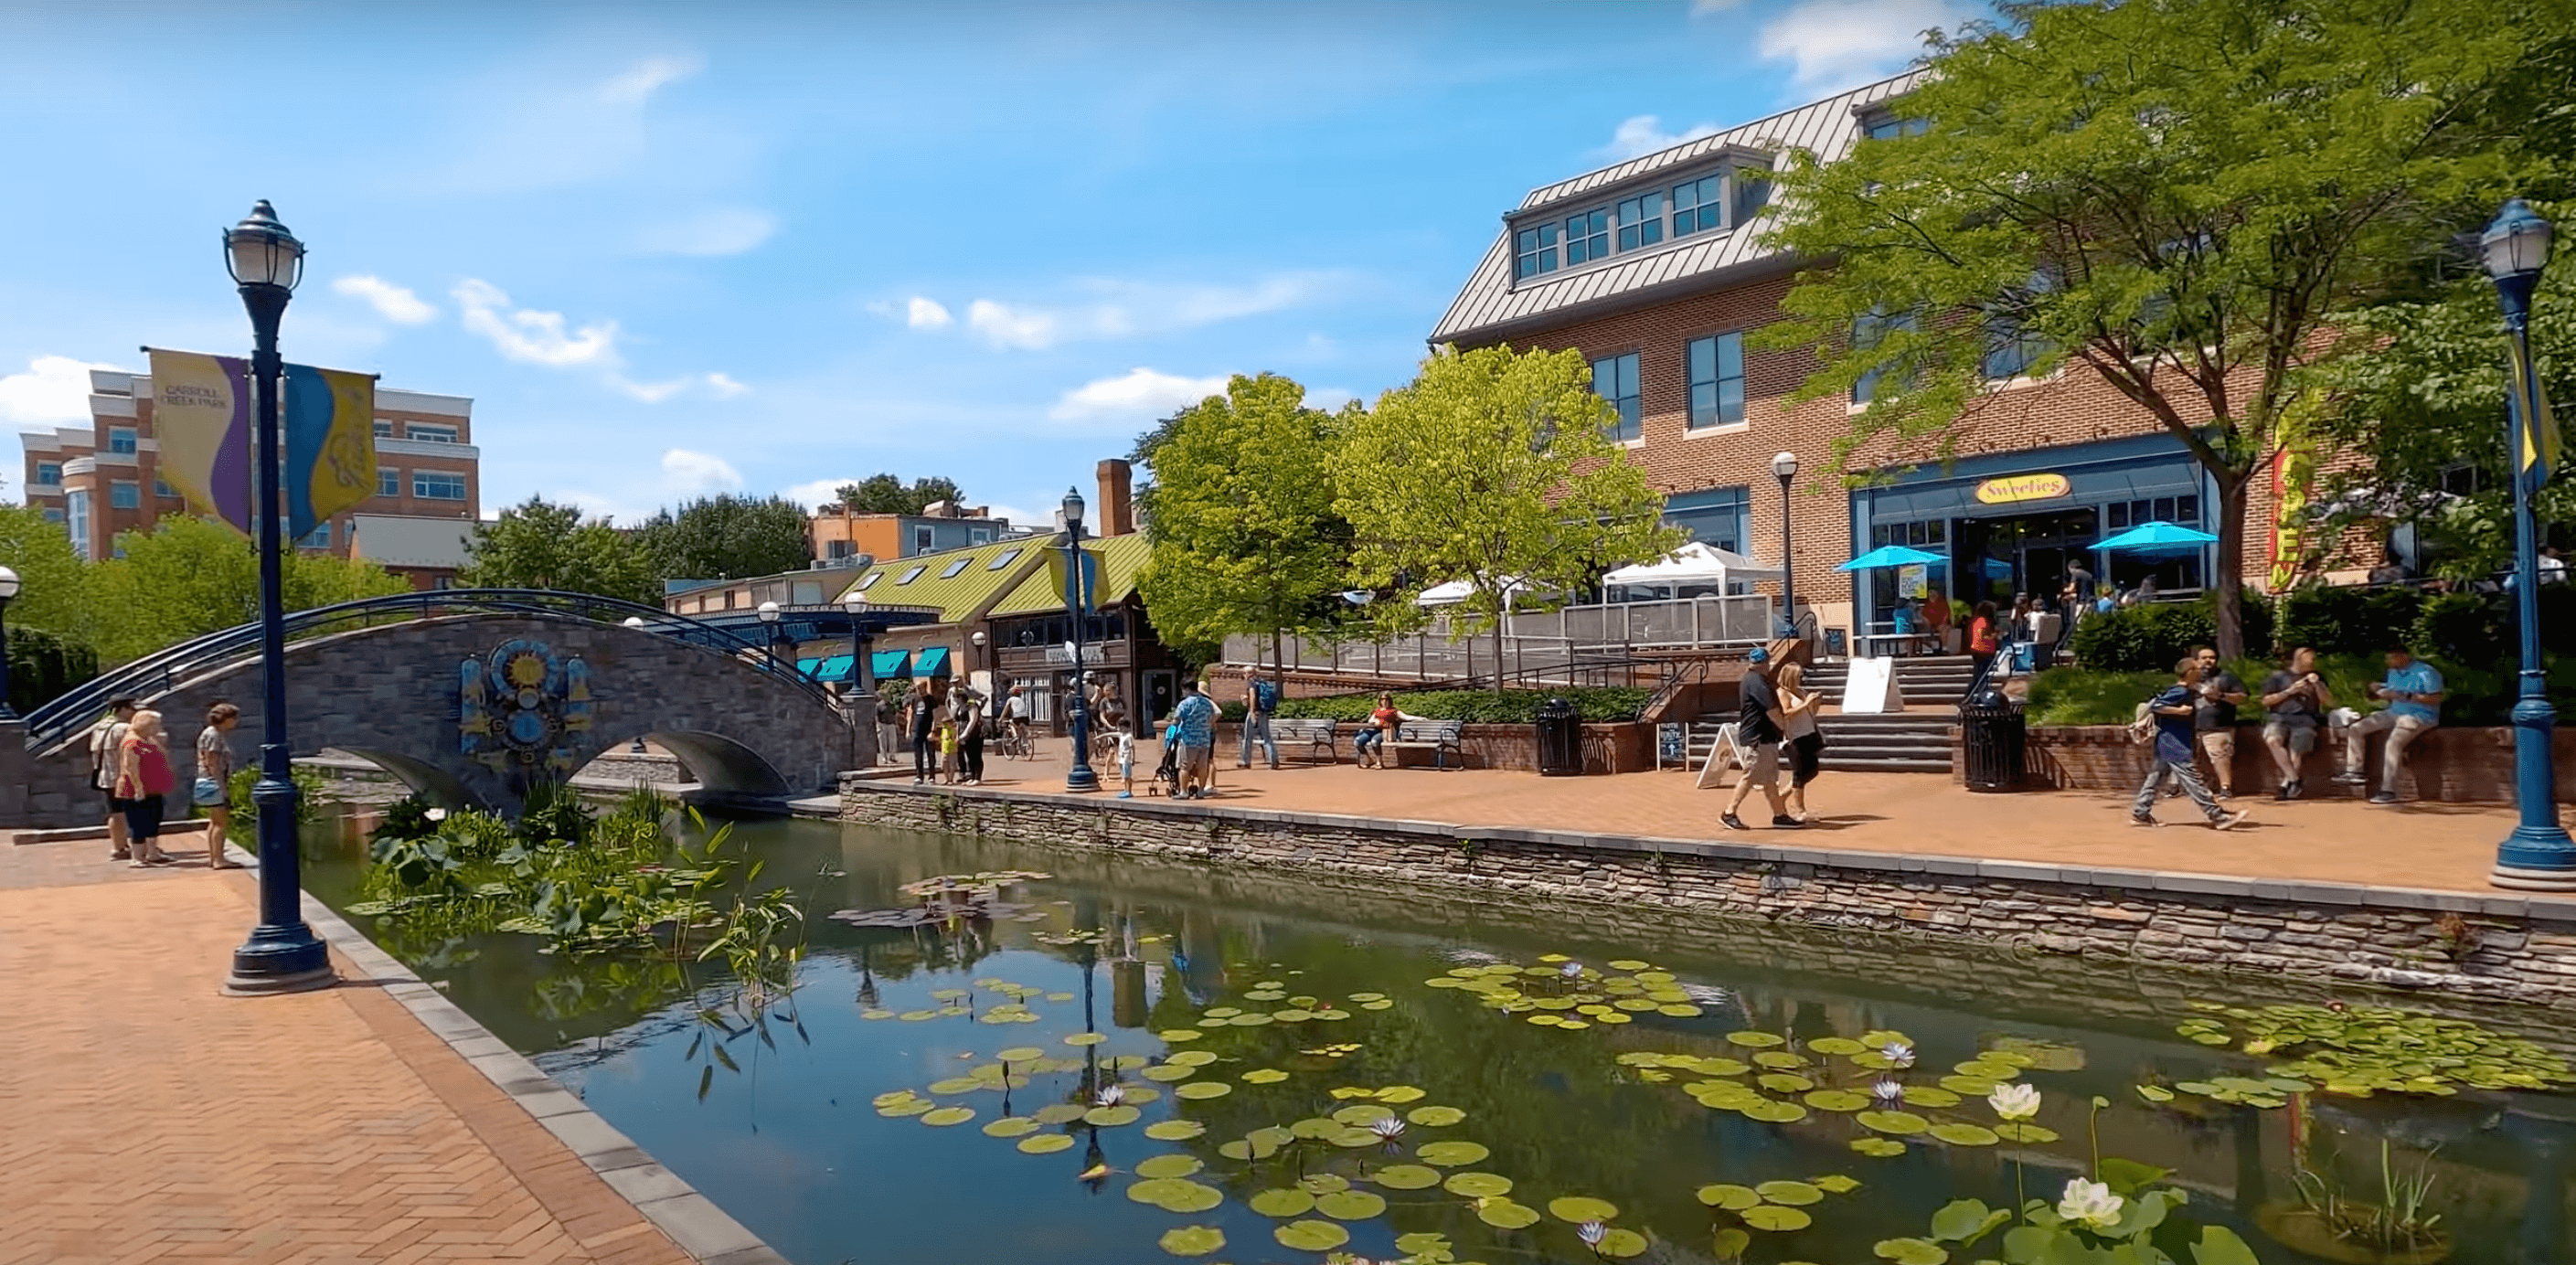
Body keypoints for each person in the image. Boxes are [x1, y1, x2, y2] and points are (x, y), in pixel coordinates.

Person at [2134, 660, 2251, 831]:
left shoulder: (2185, 690)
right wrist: (2180, 711)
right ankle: (2218, 816)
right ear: (2189, 672)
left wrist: (2201, 690)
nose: (2201, 669)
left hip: (2168, 743)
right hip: (2174, 744)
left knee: (2155, 779)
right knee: (2192, 781)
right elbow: (2157, 706)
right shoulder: (2179, 691)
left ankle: (2140, 813)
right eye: (2196, 668)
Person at [2336, 647, 2443, 804]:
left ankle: (2389, 791)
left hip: (2420, 716)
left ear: (2403, 657)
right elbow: (2392, 690)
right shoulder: (2393, 672)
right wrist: (2379, 688)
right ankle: (2354, 772)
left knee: (2393, 743)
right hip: (2393, 712)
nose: (2389, 662)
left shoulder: (2426, 672)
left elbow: (2437, 698)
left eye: (2392, 658)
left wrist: (2404, 696)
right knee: (2356, 729)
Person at [1722, 646, 1797, 831]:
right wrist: (1786, 729)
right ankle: (1729, 812)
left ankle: (1780, 815)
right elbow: (1771, 711)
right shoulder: (1757, 682)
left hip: (1765, 738)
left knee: (1770, 780)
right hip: (1758, 738)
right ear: (1766, 664)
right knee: (1750, 776)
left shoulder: (1754, 679)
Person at [2260, 646, 2333, 800]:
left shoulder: (2318, 677)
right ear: (2298, 659)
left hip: (2305, 720)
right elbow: (2266, 701)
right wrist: (2290, 691)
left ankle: (2286, 784)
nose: (2313, 662)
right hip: (2279, 718)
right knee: (2273, 740)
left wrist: (2318, 685)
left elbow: (2329, 702)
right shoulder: (2278, 678)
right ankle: (2294, 780)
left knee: (2296, 749)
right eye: (2310, 659)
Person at [115, 708, 180, 866]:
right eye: (155, 724)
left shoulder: (149, 739)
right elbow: (131, 768)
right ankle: (137, 858)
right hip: (137, 790)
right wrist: (138, 788)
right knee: (138, 822)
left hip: (154, 788)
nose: (159, 727)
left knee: (154, 819)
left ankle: (153, 853)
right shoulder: (132, 742)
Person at [2188, 646, 2248, 799]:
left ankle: (2225, 788)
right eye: (2204, 658)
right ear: (2196, 661)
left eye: (2212, 658)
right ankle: (2181, 788)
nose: (2208, 661)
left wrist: (2220, 695)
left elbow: (2242, 697)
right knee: (2187, 759)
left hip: (2219, 726)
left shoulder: (2227, 678)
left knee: (2221, 758)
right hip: (2192, 726)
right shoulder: (2189, 679)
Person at [86, 696, 139, 860]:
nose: (134, 712)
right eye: (131, 708)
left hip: (106, 776)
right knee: (136, 812)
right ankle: (142, 846)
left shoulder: (100, 726)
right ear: (122, 709)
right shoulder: (123, 728)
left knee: (115, 812)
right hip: (124, 776)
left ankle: (118, 847)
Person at [1774, 660, 1826, 824]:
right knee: (1799, 773)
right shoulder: (1783, 693)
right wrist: (1806, 703)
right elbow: (1787, 713)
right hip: (1794, 738)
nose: (1801, 678)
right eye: (1798, 675)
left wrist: (1815, 703)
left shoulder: (1801, 691)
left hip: (1808, 734)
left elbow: (1811, 712)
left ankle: (1780, 798)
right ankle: (1800, 811)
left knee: (1812, 770)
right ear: (1790, 676)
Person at [193, 702, 242, 869]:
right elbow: (212, 761)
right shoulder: (214, 735)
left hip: (207, 781)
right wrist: (222, 788)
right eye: (234, 718)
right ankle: (219, 859)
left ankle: (215, 857)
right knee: (221, 823)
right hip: (213, 782)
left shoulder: (210, 733)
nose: (236, 722)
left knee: (214, 822)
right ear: (226, 719)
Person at [1169, 679, 1219, 797]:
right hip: (1204, 739)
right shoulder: (1207, 702)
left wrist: (1173, 725)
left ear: (1186, 689)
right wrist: (1208, 724)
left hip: (1189, 740)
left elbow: (1176, 720)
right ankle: (1201, 790)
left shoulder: (1185, 703)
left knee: (1185, 767)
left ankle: (1183, 792)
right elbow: (1215, 714)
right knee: (1202, 767)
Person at [1353, 691, 1425, 769]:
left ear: (1390, 701)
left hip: (1386, 731)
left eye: (1386, 699)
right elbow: (1370, 720)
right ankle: (1369, 759)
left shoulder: (1394, 711)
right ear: (1380, 701)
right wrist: (1375, 721)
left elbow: (1406, 717)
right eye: (1383, 699)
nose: (1385, 701)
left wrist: (1420, 718)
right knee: (1358, 741)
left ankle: (1379, 762)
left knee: (1375, 741)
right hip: (1373, 730)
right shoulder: (1377, 710)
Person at [1239, 675, 1282, 770]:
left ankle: (1245, 761)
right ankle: (1273, 760)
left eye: (1244, 673)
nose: (1243, 675)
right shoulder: (1261, 682)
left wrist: (1252, 711)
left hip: (1255, 712)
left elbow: (1253, 697)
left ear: (1248, 674)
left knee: (1247, 738)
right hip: (1264, 712)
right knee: (1267, 737)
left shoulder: (1252, 683)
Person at [947, 683, 986, 785]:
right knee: (969, 756)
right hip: (964, 736)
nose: (955, 700)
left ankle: (978, 778)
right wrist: (957, 734)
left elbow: (972, 721)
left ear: (962, 697)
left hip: (974, 734)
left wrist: (965, 733)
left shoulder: (971, 706)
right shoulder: (959, 708)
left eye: (957, 697)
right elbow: (957, 722)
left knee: (976, 755)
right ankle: (972, 777)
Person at [906, 679, 938, 783]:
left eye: (919, 687)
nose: (917, 690)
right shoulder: (914, 698)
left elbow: (935, 715)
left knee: (930, 753)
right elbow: (910, 714)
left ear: (924, 687)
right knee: (918, 754)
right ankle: (919, 775)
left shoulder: (930, 699)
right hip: (917, 729)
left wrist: (933, 730)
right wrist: (908, 730)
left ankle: (932, 775)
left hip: (927, 729)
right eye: (916, 688)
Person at [1967, 601, 2001, 678]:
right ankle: (1976, 689)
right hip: (1983, 651)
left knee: (1980, 674)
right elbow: (1981, 636)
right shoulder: (1982, 621)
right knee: (1982, 674)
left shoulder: (1978, 620)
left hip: (1980, 650)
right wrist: (1994, 636)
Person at [1922, 587, 1954, 654]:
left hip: (1941, 624)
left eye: (1933, 595)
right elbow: (1924, 615)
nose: (1932, 597)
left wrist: (1942, 623)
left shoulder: (1942, 603)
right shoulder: (1927, 604)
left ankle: (1944, 648)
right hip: (1930, 625)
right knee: (1924, 630)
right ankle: (1930, 648)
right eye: (1930, 596)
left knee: (1943, 628)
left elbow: (1946, 615)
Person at [1003, 684, 1031, 755]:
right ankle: (1026, 744)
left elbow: (1005, 711)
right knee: (1022, 730)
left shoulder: (1010, 700)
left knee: (1011, 724)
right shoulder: (1021, 699)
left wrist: (1001, 718)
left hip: (1017, 717)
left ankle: (1015, 737)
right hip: (1026, 717)